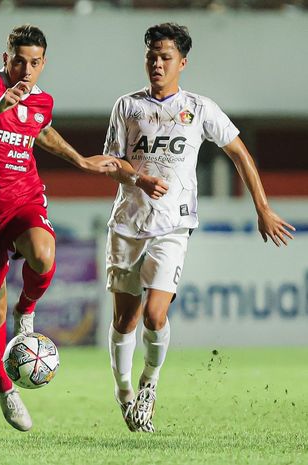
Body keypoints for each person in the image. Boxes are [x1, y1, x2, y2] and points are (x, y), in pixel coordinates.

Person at [103, 23, 295, 433]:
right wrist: (138, 178)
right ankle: (123, 394)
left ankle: (149, 386)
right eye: (151, 56)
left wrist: (262, 207)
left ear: (182, 63)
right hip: (127, 224)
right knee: (125, 321)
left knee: (155, 315)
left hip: (173, 226)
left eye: (165, 57)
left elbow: (240, 153)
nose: (157, 63)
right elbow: (112, 162)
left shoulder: (200, 108)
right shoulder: (127, 107)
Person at [0, 24, 120, 432]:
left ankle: (28, 311)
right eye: (19, 60)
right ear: (6, 58)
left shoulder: (42, 100)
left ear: (43, 64)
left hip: (23, 198)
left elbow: (41, 130)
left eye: (34, 63)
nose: (26, 69)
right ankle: (3, 385)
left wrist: (81, 160)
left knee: (43, 252)